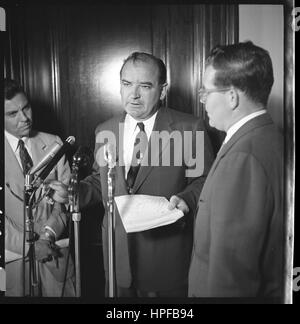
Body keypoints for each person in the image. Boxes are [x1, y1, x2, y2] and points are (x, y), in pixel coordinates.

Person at [50, 52, 214, 297]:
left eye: (145, 86)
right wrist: (74, 191)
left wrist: (187, 200)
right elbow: (100, 180)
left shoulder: (190, 128)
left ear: (162, 90)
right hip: (118, 259)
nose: (133, 94)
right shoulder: (105, 129)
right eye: (127, 84)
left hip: (165, 259)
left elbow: (205, 182)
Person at [188, 41, 284, 298]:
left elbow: (232, 279)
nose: (203, 101)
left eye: (206, 92)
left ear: (232, 96)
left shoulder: (242, 158)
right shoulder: (267, 136)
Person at [4, 79, 75, 297]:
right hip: (13, 266)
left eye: (26, 108)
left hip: (55, 258)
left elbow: (66, 199)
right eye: (12, 113)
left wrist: (48, 235)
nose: (24, 118)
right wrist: (31, 248)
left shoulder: (54, 143)